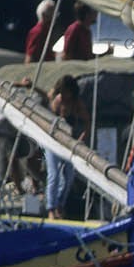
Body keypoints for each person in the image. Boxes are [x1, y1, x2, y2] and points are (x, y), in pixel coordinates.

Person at [44, 74, 88, 218]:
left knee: (69, 177)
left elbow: (88, 122)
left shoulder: (76, 104)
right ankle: (51, 208)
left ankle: (60, 205)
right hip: (53, 141)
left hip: (69, 143)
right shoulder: (57, 101)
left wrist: (81, 139)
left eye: (67, 91)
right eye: (63, 91)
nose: (65, 95)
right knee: (54, 175)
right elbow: (48, 119)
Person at [25, 0, 56, 64]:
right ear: (44, 15)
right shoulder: (38, 32)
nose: (54, 18)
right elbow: (31, 57)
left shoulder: (47, 32)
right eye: (52, 14)